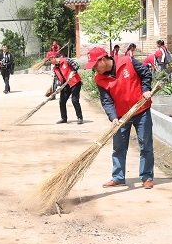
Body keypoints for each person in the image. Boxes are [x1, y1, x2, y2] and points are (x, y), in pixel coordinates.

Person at [85, 46, 155, 190]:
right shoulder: (99, 79)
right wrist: (113, 117)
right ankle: (118, 177)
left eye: (95, 65)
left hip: (141, 110)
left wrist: (146, 89)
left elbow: (146, 74)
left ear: (103, 59)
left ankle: (147, 176)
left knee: (145, 145)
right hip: (122, 116)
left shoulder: (128, 61)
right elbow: (106, 101)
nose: (94, 69)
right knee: (118, 147)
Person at [47, 51, 83, 124]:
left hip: (75, 83)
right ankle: (64, 118)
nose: (49, 61)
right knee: (62, 102)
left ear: (53, 58)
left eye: (49, 60)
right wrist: (57, 87)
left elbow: (76, 65)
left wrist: (72, 73)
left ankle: (80, 117)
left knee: (74, 100)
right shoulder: (55, 68)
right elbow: (57, 78)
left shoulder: (66, 60)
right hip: (65, 85)